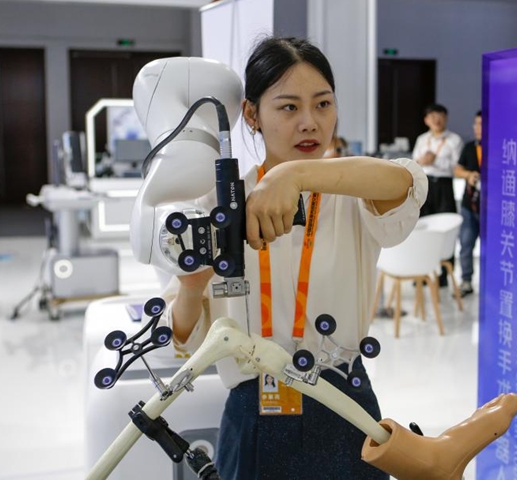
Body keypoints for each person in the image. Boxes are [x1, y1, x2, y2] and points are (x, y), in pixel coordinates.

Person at [159, 37, 427, 480]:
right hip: (253, 411)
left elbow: (406, 181)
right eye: (288, 108)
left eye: (323, 104)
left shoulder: (352, 194)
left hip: (343, 402)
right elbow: (180, 338)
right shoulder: (217, 202)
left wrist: (293, 173)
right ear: (251, 114)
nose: (310, 122)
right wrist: (190, 289)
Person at [412, 103, 462, 287]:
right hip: (424, 184)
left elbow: (457, 167)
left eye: (440, 115)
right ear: (426, 120)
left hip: (444, 185)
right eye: (432, 116)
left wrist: (436, 162)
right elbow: (414, 161)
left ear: (446, 118)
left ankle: (443, 276)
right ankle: (422, 273)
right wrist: (421, 161)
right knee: (422, 227)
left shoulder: (454, 140)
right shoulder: (422, 139)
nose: (436, 119)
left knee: (445, 229)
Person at [453, 110, 482, 297]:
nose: (477, 128)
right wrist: (469, 175)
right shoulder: (470, 147)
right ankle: (466, 281)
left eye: (482, 124)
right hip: (469, 205)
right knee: (466, 243)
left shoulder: (501, 146)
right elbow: (457, 169)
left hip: (494, 209)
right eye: (476, 124)